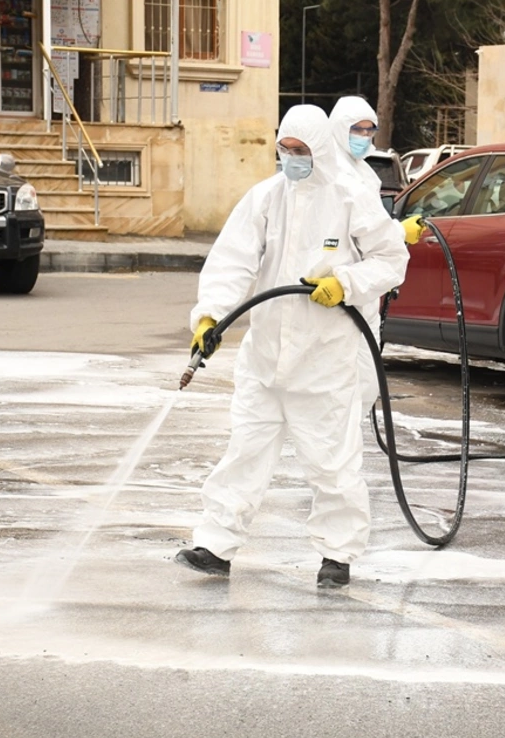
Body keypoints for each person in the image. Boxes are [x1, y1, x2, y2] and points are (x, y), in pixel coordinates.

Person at [174, 105, 409, 588]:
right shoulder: (264, 198)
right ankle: (214, 545)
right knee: (244, 453)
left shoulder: (349, 197)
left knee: (332, 465)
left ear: (320, 151)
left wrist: (346, 282)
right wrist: (210, 315)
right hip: (265, 360)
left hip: (324, 362)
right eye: (285, 149)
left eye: (301, 152)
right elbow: (233, 261)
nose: (292, 159)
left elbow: (392, 258)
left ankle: (337, 557)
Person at [328, 95, 394, 412]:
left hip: (363, 289)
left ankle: (347, 453)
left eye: (370, 131)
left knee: (365, 382)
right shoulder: (332, 173)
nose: (364, 137)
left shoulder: (365, 172)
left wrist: (395, 233)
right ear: (340, 129)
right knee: (340, 387)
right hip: (338, 291)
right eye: (358, 130)